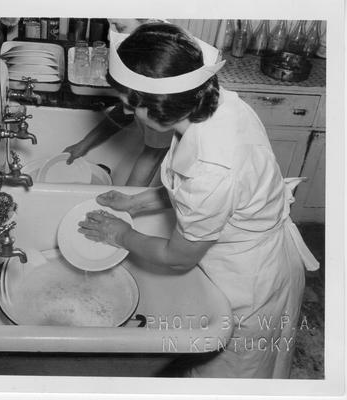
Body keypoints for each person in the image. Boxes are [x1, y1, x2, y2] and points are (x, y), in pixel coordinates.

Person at [77, 22, 319, 378]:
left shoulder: (211, 167)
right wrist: (138, 203)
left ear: (156, 105)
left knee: (232, 374)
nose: (128, 112)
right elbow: (205, 194)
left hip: (247, 281)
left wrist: (119, 234)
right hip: (257, 250)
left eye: (130, 103)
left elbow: (177, 257)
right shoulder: (216, 103)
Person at [64, 19, 173, 187]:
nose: (110, 35)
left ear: (148, 19)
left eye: (120, 27)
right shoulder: (147, 53)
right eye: (110, 26)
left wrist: (125, 202)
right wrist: (83, 145)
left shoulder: (162, 69)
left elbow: (153, 155)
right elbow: (125, 110)